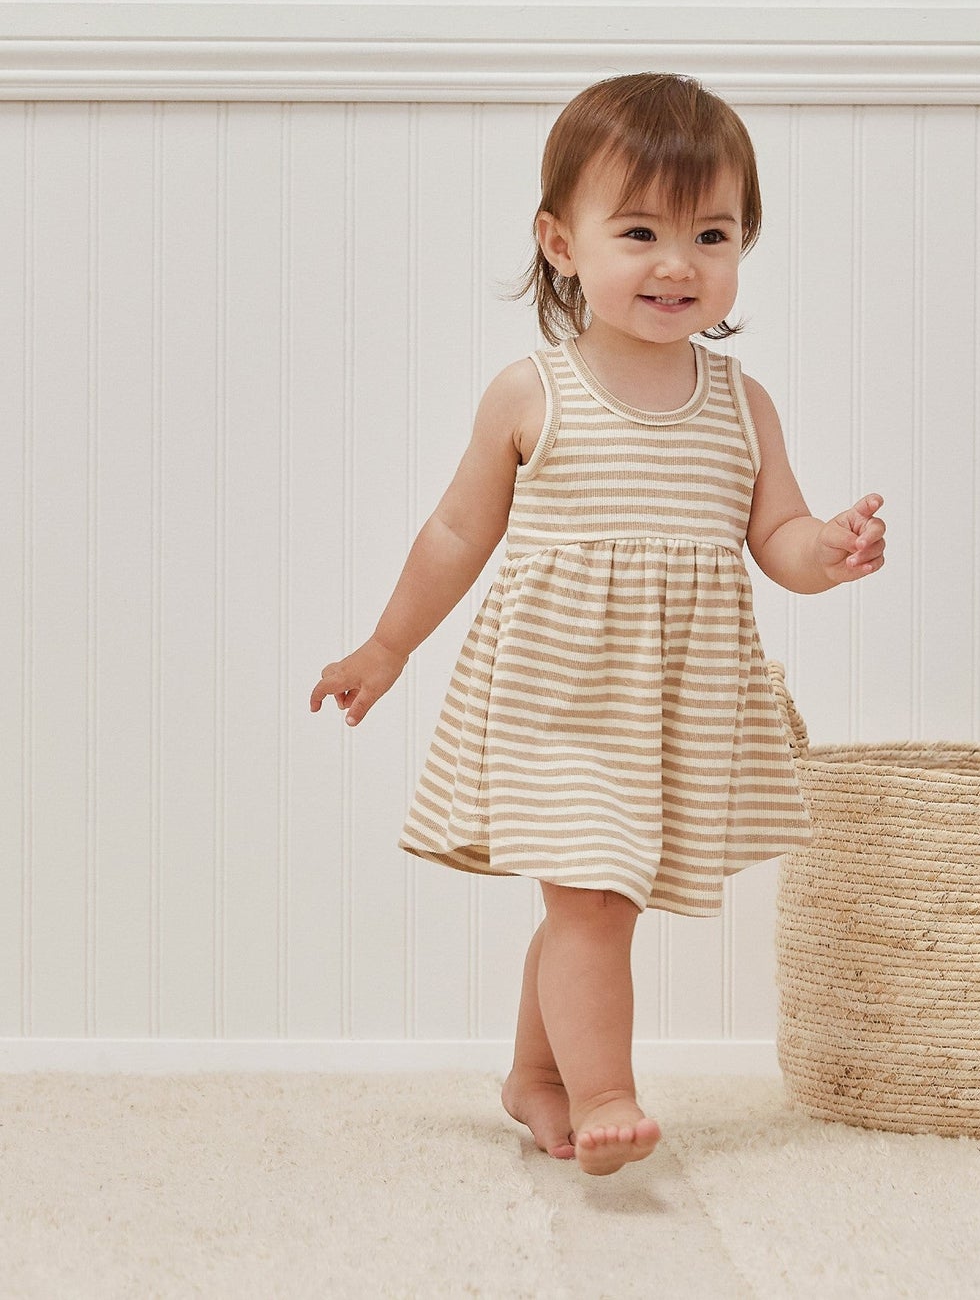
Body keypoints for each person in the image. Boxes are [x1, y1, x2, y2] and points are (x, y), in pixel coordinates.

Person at [310, 72, 886, 1176]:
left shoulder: (739, 401)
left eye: (709, 233)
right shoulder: (532, 393)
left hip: (666, 707)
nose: (677, 263)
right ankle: (603, 1089)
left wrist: (830, 549)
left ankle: (534, 1075)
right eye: (639, 231)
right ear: (560, 242)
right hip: (556, 694)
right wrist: (386, 645)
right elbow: (452, 535)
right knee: (594, 900)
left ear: (740, 248)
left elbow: (776, 538)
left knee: (591, 900)